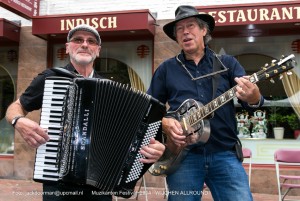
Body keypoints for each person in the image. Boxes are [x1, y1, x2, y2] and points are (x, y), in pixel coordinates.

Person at [6, 24, 165, 201]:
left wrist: (154, 149)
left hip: (100, 185)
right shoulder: (51, 78)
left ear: (98, 50)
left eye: (91, 41)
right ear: (67, 47)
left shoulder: (110, 88)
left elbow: (134, 135)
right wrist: (18, 121)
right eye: (78, 40)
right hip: (58, 182)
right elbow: (16, 107)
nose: (84, 44)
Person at [147, 5, 264, 201]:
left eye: (191, 25)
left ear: (204, 30)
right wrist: (165, 123)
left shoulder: (228, 63)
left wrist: (253, 95)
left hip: (224, 154)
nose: (185, 32)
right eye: (179, 29)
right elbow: (150, 109)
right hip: (183, 156)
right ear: (176, 37)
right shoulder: (166, 69)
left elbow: (254, 102)